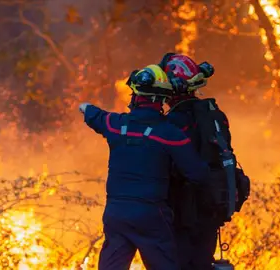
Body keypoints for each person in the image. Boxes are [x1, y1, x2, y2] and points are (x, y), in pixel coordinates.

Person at [79, 63, 211, 270]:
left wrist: (87, 109)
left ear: (135, 95)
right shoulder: (171, 134)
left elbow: (88, 110)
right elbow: (198, 174)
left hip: (116, 214)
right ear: (163, 99)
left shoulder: (115, 125)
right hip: (152, 216)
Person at [154, 53, 250, 270]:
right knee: (202, 262)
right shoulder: (215, 115)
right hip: (212, 204)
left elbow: (169, 165)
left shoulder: (174, 122)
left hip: (184, 209)